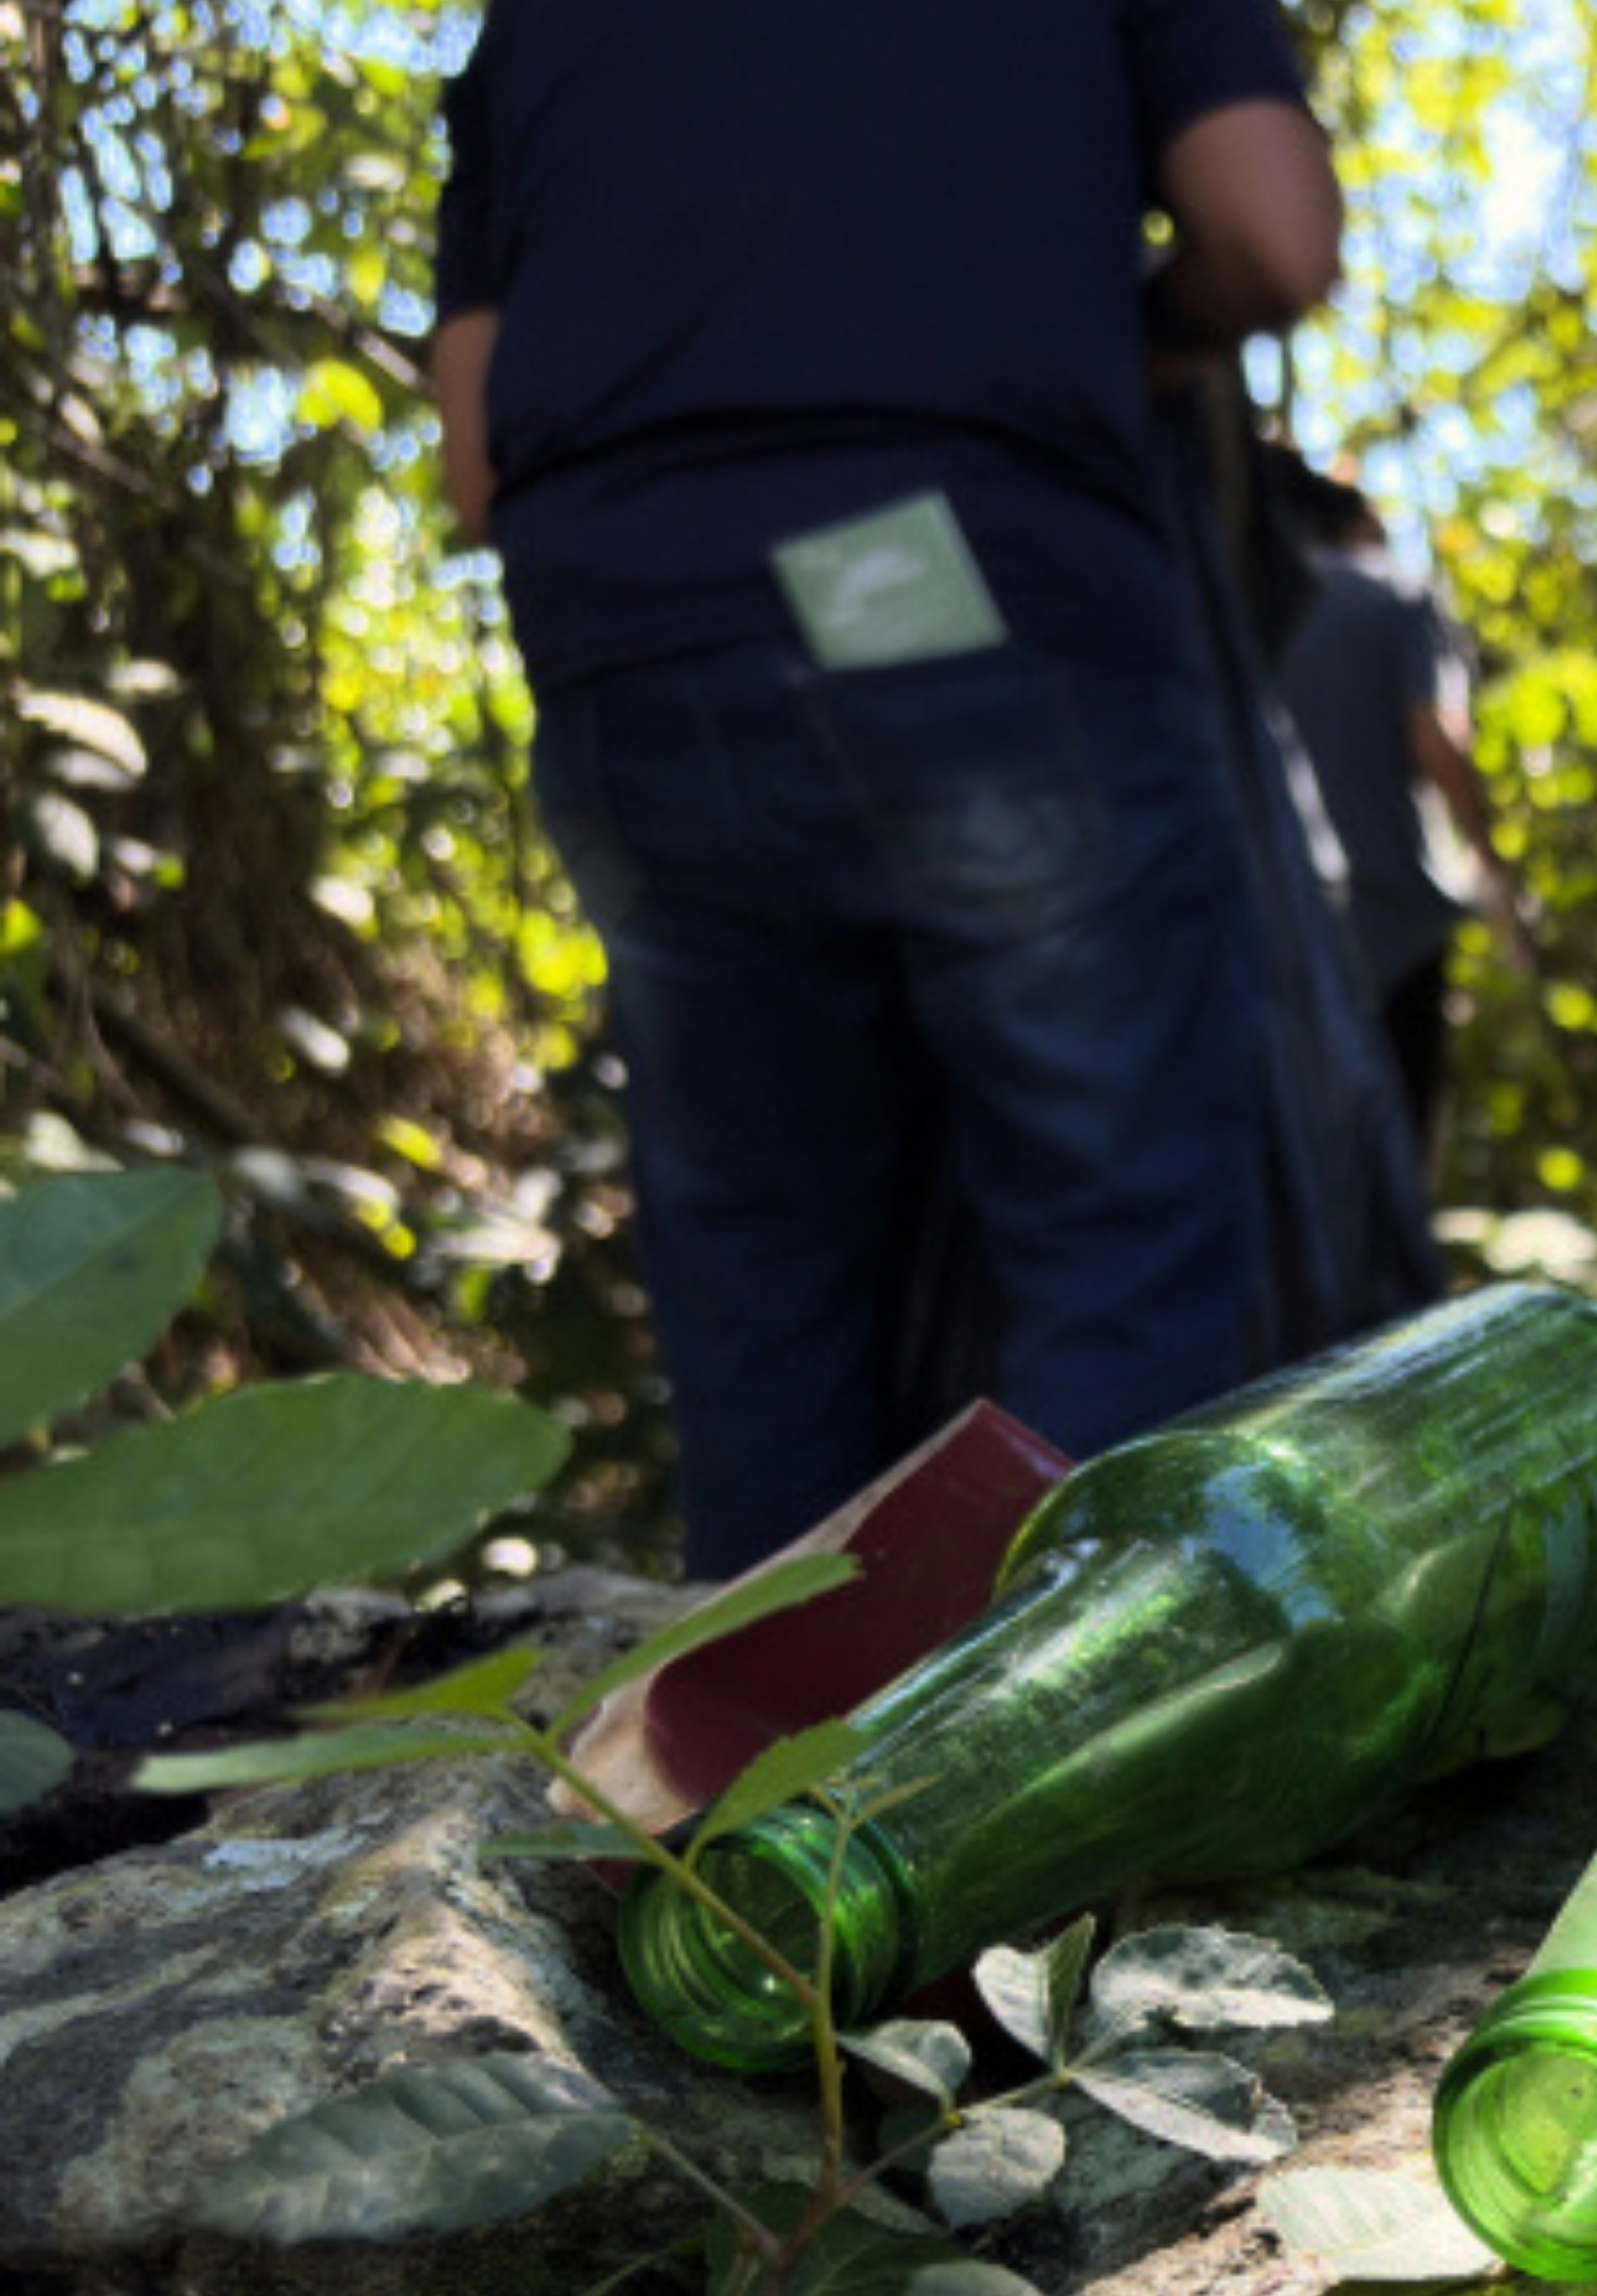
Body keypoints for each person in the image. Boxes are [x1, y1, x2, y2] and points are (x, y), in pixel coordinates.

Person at [426, 0, 1342, 1577]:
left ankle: (756, 1780)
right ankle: (1063, 1765)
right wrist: (1130, 331)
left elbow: (472, 454)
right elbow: (1272, 233)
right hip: (963, 588)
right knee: (1117, 1245)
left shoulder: (538, 25)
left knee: (758, 1294)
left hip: (640, 653)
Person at [1271, 465, 1527, 1163]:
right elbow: (1435, 738)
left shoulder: (1251, 600)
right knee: (1398, 1154)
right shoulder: (1394, 594)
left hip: (1280, 932)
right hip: (1393, 923)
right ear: (1360, 527)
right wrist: (1492, 861)